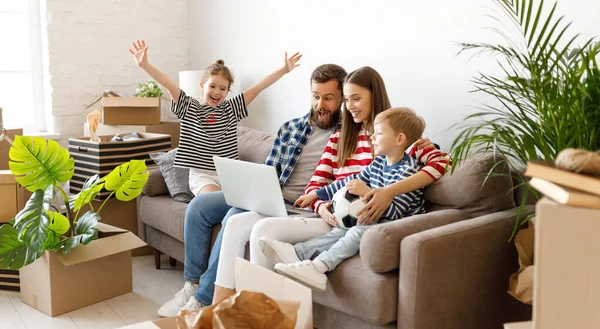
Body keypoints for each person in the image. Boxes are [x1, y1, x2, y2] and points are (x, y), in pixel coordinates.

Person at [211, 67, 448, 303]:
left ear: (374, 96)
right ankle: (224, 306)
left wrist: (388, 191)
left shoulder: (401, 139)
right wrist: (320, 202)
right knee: (236, 220)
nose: (350, 106)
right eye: (346, 100)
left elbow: (442, 162)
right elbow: (321, 184)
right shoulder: (339, 138)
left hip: (362, 219)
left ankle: (266, 314)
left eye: (356, 99)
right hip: (332, 215)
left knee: (262, 230)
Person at [157, 64, 349, 317]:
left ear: (342, 98)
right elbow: (270, 168)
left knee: (233, 216)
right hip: (271, 195)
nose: (320, 104)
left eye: (328, 98)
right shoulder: (292, 128)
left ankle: (204, 297)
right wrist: (256, 189)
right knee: (198, 207)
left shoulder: (347, 134)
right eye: (316, 96)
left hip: (302, 206)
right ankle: (191, 284)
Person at [260, 107, 433, 291]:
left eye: (379, 133)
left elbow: (396, 211)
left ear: (400, 139)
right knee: (340, 230)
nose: (372, 137)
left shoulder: (408, 170)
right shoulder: (379, 163)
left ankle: (320, 267)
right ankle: (298, 252)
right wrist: (316, 194)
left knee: (357, 231)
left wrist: (366, 191)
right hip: (376, 218)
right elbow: (349, 181)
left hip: (397, 225)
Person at [128, 39, 301, 195]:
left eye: (223, 88)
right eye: (212, 86)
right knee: (213, 201)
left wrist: (284, 69)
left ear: (227, 91)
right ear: (202, 86)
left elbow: (259, 86)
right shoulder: (190, 107)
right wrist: (145, 65)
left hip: (230, 175)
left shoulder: (231, 109)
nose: (217, 92)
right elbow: (169, 84)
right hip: (202, 176)